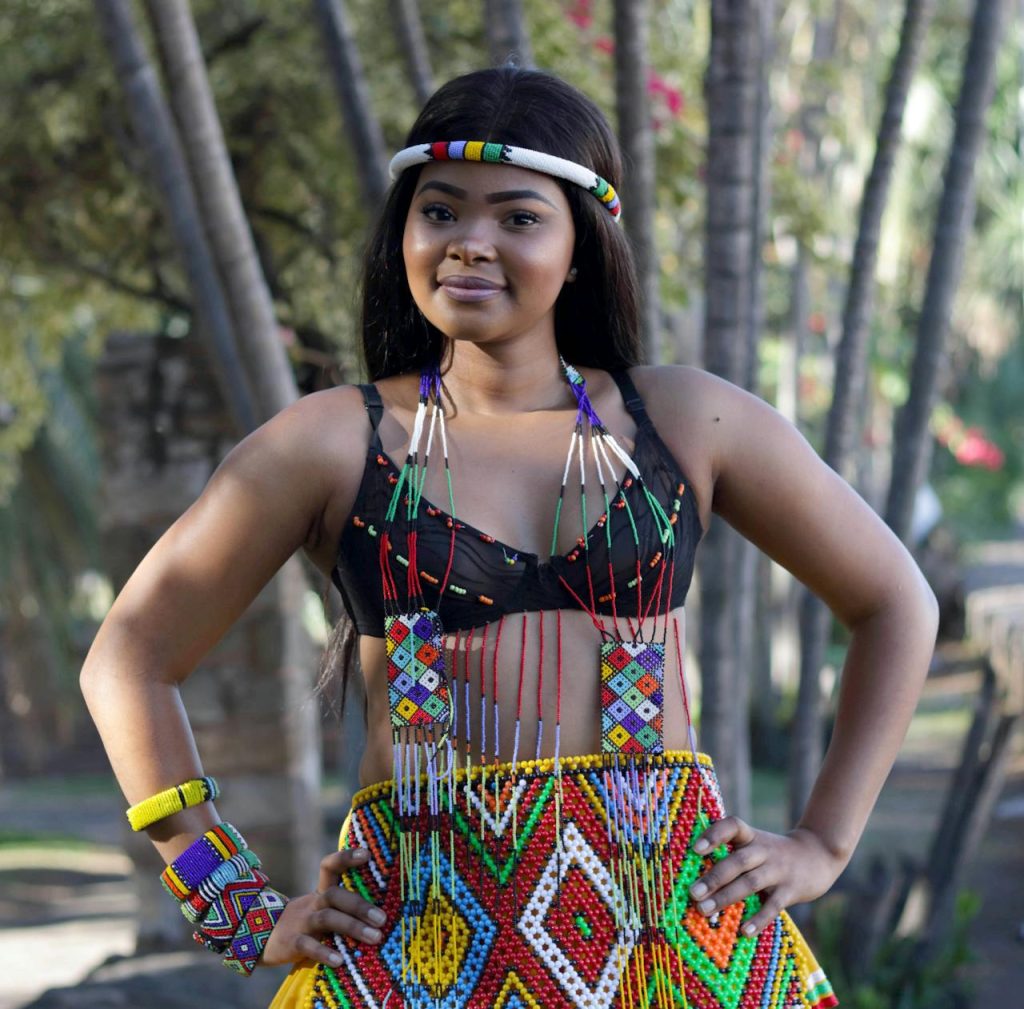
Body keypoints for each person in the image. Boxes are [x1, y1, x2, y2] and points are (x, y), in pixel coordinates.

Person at [81, 67, 938, 1009]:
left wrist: (823, 843)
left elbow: (894, 601)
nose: (469, 244)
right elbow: (129, 658)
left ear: (580, 248)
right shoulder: (330, 443)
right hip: (416, 957)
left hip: (677, 955)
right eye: (440, 211)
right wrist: (231, 901)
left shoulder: (690, 421)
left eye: (519, 218)